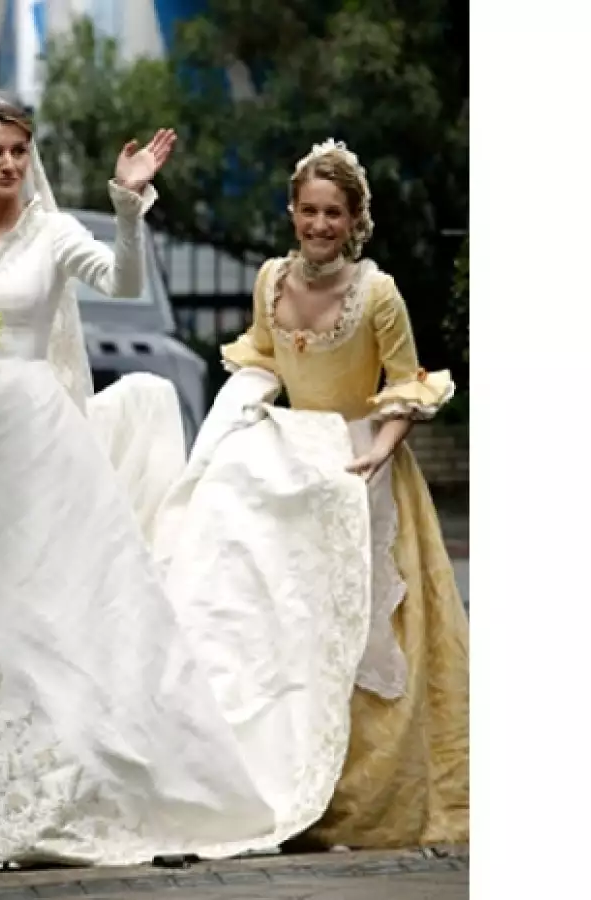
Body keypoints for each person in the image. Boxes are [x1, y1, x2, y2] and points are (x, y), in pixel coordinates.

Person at [0, 92, 377, 867]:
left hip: (38, 441)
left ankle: (68, 787)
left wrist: (130, 204)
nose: (7, 164)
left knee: (49, 607)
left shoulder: (54, 231)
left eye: (17, 150)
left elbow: (124, 280)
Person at [219, 140, 469, 848]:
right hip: (298, 471)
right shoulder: (271, 279)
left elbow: (406, 381)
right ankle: (289, 780)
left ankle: (366, 795)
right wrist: (240, 426)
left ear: (355, 219)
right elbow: (264, 362)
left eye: (334, 213)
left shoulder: (377, 291)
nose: (319, 224)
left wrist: (377, 453)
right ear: (292, 212)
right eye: (308, 210)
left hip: (367, 467)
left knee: (363, 634)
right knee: (291, 624)